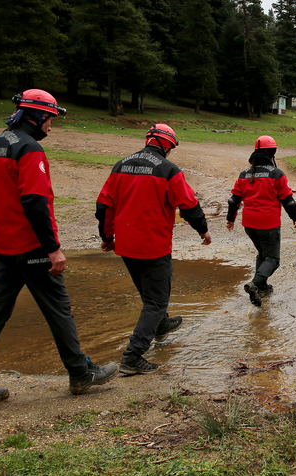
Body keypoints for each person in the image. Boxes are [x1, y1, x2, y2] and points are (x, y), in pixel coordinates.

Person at [0, 89, 118, 409]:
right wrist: (53, 249)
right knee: (58, 309)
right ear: (39, 116)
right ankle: (79, 372)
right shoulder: (29, 150)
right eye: (51, 119)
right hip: (31, 246)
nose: (51, 126)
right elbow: (35, 202)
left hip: (2, 245)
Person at [96, 124, 211, 375]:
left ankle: (161, 326)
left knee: (150, 298)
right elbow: (188, 204)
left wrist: (107, 236)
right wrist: (203, 230)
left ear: (149, 139)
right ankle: (133, 355)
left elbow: (104, 204)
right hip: (154, 246)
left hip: (126, 246)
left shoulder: (120, 165)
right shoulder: (168, 169)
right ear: (167, 145)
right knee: (156, 301)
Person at [226, 136, 296, 306]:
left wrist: (231, 219)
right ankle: (256, 284)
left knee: (262, 254)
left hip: (249, 225)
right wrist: (295, 217)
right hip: (268, 224)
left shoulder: (244, 174)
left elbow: (233, 200)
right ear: (272, 153)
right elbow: (288, 200)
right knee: (273, 259)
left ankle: (263, 286)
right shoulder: (276, 174)